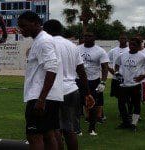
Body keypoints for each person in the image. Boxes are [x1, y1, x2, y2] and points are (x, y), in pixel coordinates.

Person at [43, 19, 95, 150]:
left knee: (54, 129)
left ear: (46, 30)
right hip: (72, 90)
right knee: (69, 128)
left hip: (54, 91)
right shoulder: (72, 46)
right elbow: (81, 71)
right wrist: (88, 93)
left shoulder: (46, 44)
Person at [18, 11, 62, 150]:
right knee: (48, 134)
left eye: (24, 26)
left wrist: (41, 99)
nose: (21, 29)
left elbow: (52, 68)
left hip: (41, 96)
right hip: (48, 96)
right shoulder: (40, 40)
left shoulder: (44, 41)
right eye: (20, 26)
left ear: (36, 23)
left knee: (34, 136)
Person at [115, 37, 145, 131]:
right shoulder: (123, 55)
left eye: (134, 44)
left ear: (138, 45)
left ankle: (134, 124)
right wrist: (117, 73)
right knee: (121, 104)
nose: (132, 46)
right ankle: (125, 123)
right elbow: (117, 65)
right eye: (130, 44)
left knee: (136, 104)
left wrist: (144, 76)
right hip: (124, 85)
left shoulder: (143, 56)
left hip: (136, 84)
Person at [75, 32, 109, 135]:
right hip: (78, 80)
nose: (87, 38)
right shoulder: (77, 49)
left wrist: (103, 82)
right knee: (77, 105)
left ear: (94, 37)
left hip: (93, 81)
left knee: (92, 104)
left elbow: (105, 67)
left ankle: (92, 128)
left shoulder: (100, 51)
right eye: (85, 36)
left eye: (90, 36)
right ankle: (77, 129)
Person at [107, 33, 130, 117]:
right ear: (118, 40)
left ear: (127, 40)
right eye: (121, 38)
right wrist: (111, 70)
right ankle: (123, 113)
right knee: (119, 97)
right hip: (116, 78)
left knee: (128, 97)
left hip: (127, 78)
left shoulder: (130, 50)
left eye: (124, 38)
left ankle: (129, 113)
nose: (123, 40)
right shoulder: (113, 50)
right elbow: (105, 61)